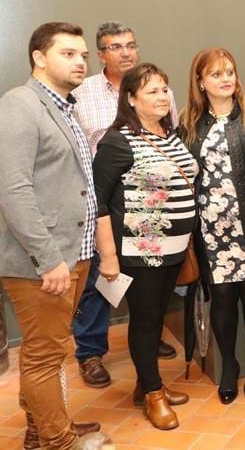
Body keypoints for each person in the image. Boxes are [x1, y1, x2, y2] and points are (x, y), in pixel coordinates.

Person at [0, 22, 110, 450]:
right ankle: (58, 440)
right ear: (39, 58)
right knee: (45, 356)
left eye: (82, 54)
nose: (80, 61)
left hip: (74, 254)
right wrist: (47, 258)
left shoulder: (66, 106)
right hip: (42, 262)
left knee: (47, 350)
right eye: (68, 53)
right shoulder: (20, 105)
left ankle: (40, 427)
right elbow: (13, 190)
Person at [71, 22, 179, 389]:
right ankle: (90, 352)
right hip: (103, 202)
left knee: (146, 295)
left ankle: (148, 340)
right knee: (99, 280)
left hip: (152, 210)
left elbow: (168, 138)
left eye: (131, 45)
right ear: (101, 54)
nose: (126, 52)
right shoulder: (83, 92)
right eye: (115, 47)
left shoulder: (158, 90)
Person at [92, 63, 197, 430]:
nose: (162, 96)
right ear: (131, 99)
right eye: (152, 91)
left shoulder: (170, 134)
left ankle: (144, 385)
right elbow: (99, 202)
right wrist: (108, 255)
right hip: (142, 252)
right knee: (147, 322)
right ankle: (153, 393)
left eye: (165, 89)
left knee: (152, 318)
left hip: (175, 248)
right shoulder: (118, 140)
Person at [178, 48, 245, 404]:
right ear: (201, 81)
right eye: (216, 74)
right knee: (223, 296)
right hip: (211, 227)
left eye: (229, 71)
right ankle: (229, 365)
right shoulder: (187, 123)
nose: (225, 79)